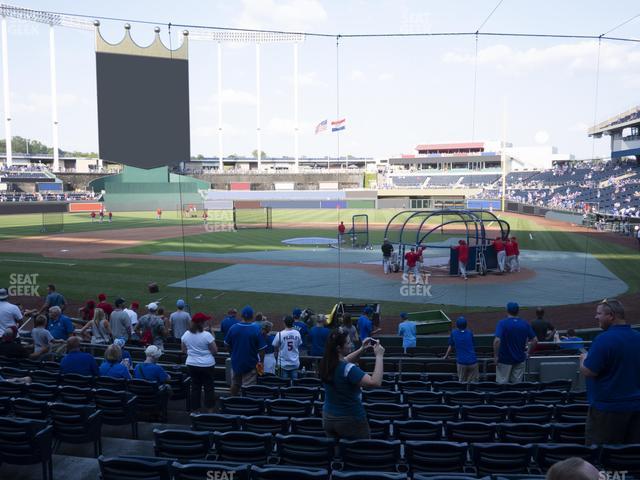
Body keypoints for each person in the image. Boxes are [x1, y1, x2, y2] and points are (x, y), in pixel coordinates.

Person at [580, 298, 640, 445]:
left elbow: (589, 371)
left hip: (607, 410)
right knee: (630, 456)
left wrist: (582, 359)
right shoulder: (638, 337)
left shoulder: (604, 340)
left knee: (602, 456)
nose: (596, 317)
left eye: (599, 313)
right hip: (636, 408)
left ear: (611, 316)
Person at [319, 331, 385, 440]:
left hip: (328, 418)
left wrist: (362, 349)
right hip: (349, 419)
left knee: (336, 452)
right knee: (358, 452)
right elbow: (375, 382)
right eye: (348, 343)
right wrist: (379, 356)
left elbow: (344, 360)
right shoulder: (349, 369)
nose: (351, 345)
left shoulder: (325, 362)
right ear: (339, 348)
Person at [224, 306, 267, 396]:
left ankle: (231, 403)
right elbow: (262, 349)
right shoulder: (256, 329)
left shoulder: (233, 328)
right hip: (250, 364)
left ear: (241, 316)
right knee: (248, 389)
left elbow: (226, 344)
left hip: (236, 363)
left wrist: (232, 354)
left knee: (235, 384)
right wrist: (261, 362)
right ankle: (246, 407)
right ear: (252, 317)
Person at [493, 302, 538, 384]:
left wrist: (496, 356)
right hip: (520, 359)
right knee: (516, 386)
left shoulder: (502, 323)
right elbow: (535, 340)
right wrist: (528, 353)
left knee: (502, 386)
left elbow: (497, 341)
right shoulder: (525, 323)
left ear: (507, 310)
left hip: (504, 360)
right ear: (518, 311)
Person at [181, 312, 217, 412]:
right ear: (201, 323)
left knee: (195, 387)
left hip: (192, 364)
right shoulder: (207, 335)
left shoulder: (186, 334)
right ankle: (210, 411)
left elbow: (183, 350)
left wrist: (194, 354)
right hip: (207, 365)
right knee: (208, 387)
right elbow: (215, 351)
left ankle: (195, 411)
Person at [444, 316, 479, 382]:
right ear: (466, 325)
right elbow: (473, 345)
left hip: (461, 363)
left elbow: (450, 347)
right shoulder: (470, 333)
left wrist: (446, 356)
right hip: (473, 362)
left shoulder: (454, 333)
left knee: (462, 383)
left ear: (457, 325)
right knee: (473, 384)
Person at [272, 315, 303, 380]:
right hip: (294, 363)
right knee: (294, 385)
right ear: (292, 323)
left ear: (284, 323)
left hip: (283, 364)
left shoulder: (280, 334)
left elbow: (275, 346)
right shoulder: (297, 333)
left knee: (284, 386)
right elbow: (299, 344)